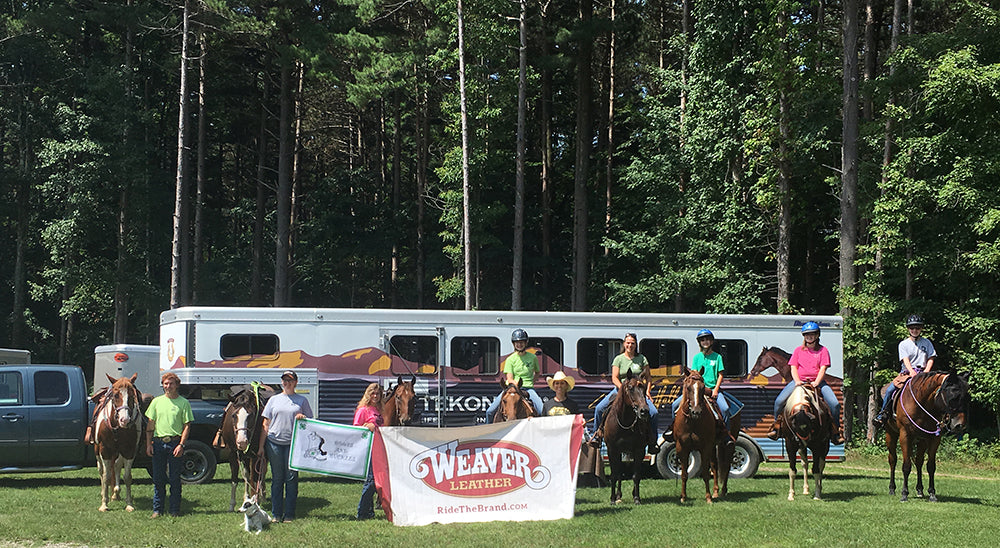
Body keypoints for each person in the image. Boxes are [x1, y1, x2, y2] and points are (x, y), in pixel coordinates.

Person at [766, 322, 844, 445]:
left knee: (834, 404)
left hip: (818, 382)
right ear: (804, 336)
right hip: (799, 381)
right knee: (779, 401)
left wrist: (816, 382)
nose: (809, 337)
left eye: (812, 334)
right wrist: (797, 381)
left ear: (817, 335)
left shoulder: (823, 351)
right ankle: (776, 426)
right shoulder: (798, 350)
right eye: (807, 335)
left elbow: (823, 368)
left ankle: (836, 431)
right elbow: (793, 367)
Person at [590, 333, 660, 454]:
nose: (630, 345)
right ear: (624, 344)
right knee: (599, 408)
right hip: (620, 390)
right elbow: (614, 377)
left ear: (636, 345)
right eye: (628, 343)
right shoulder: (618, 359)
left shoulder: (642, 359)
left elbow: (648, 377)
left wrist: (648, 391)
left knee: (653, 412)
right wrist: (623, 389)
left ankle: (652, 441)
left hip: (638, 392)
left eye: (632, 343)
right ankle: (597, 435)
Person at [259, 370, 313, 523]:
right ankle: (276, 514)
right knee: (277, 479)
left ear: (295, 382)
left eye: (290, 380)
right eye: (284, 380)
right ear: (281, 382)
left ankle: (289, 514)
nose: (287, 383)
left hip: (293, 444)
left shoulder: (302, 400)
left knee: (291, 478)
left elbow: (310, 422)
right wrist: (261, 447)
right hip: (274, 442)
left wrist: (303, 418)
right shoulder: (274, 400)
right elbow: (265, 423)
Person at [145, 371, 193, 518]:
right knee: (158, 479)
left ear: (177, 385)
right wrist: (149, 444)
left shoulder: (183, 403)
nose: (168, 386)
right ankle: (157, 510)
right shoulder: (156, 402)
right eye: (165, 383)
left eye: (171, 383)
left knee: (174, 479)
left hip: (174, 444)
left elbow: (187, 426)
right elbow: (150, 425)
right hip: (159, 444)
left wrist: (181, 445)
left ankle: (174, 510)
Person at [874, 315, 937, 426]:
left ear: (921, 329)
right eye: (912, 328)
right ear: (908, 329)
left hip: (924, 372)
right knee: (889, 391)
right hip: (907, 373)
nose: (915, 330)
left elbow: (931, 357)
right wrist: (911, 371)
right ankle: (883, 414)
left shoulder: (927, 343)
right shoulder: (903, 344)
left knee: (938, 390)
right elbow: (905, 359)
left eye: (917, 328)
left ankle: (940, 417)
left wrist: (926, 371)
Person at [668, 329, 732, 435]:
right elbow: (694, 373)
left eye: (707, 339)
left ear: (711, 342)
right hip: (697, 389)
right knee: (674, 405)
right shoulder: (697, 358)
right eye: (702, 340)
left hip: (711, 389)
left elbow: (720, 374)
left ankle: (726, 434)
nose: (705, 342)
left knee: (725, 409)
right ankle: (673, 429)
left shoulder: (717, 357)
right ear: (700, 343)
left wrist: (716, 389)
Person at [485, 329, 544, 422]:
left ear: (526, 343)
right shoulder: (510, 359)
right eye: (517, 342)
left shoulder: (533, 358)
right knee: (490, 411)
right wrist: (515, 384)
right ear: (513, 344)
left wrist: (531, 382)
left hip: (528, 389)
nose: (519, 345)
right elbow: (509, 378)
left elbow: (537, 372)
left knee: (542, 410)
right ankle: (487, 432)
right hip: (511, 388)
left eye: (521, 342)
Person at [354, 383, 382, 520]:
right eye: (373, 393)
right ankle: (362, 512)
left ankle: (369, 512)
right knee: (370, 480)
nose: (375, 396)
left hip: (380, 448)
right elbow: (355, 429)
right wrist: (368, 427)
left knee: (376, 480)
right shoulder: (363, 410)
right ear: (368, 394)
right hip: (369, 448)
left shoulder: (380, 409)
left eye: (378, 393)